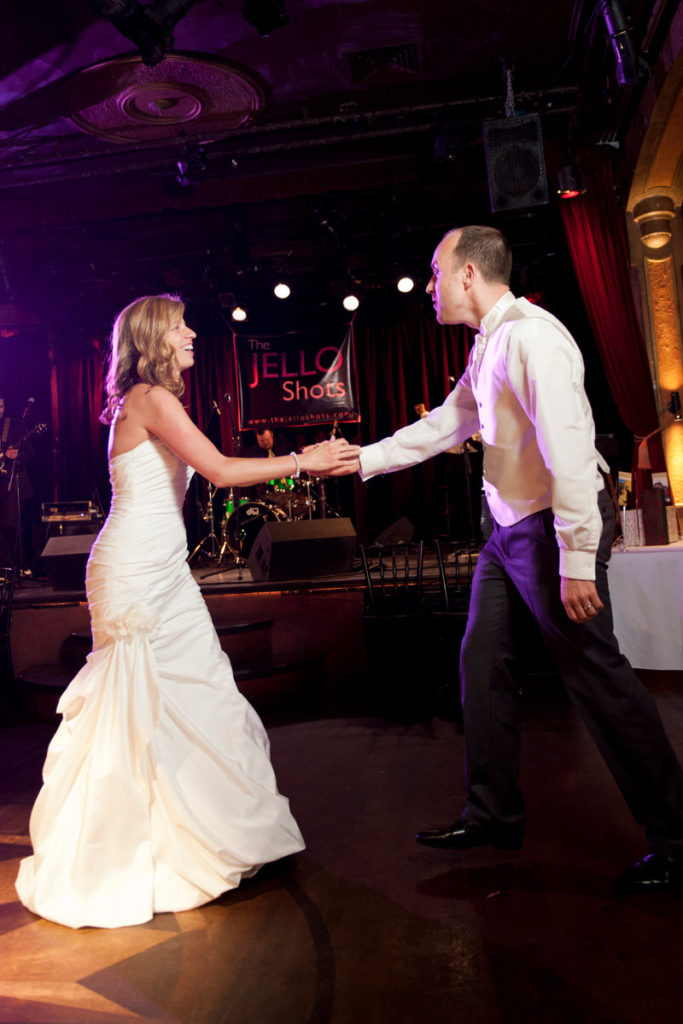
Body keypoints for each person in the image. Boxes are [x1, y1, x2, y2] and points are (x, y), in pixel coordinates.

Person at [15, 294, 360, 929]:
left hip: (163, 573)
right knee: (134, 708)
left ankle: (197, 832)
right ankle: (114, 854)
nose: (193, 333)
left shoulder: (146, 398)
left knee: (197, 695)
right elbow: (222, 471)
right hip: (135, 575)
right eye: (181, 327)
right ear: (155, 339)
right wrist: (302, 461)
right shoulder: (149, 396)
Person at [357, 225, 683, 891]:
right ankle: (493, 813)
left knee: (597, 676)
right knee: (480, 661)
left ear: (468, 274)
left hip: (549, 528)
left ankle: (676, 836)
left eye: (433, 272)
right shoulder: (489, 343)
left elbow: (567, 445)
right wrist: (361, 458)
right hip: (508, 532)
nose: (427, 286)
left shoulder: (531, 336)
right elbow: (447, 423)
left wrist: (574, 556)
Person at [0, 396, 34, 569]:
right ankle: (5, 568)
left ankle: (19, 568)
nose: (0, 410)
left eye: (1, 406)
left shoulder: (13, 426)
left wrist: (16, 455)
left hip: (10, 483)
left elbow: (29, 453)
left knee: (10, 525)